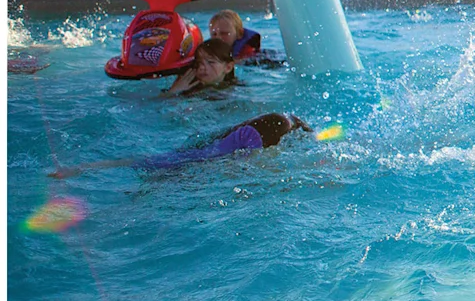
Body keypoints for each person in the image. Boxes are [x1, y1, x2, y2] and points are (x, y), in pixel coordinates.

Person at [48, 113, 313, 177]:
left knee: (149, 163)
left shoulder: (240, 135)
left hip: (191, 158)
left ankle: (80, 168)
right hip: (193, 169)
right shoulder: (256, 144)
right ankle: (79, 169)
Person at [164, 38, 237, 96]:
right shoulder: (188, 88)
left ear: (228, 67)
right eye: (198, 63)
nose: (201, 67)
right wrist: (174, 92)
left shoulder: (236, 90)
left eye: (210, 62)